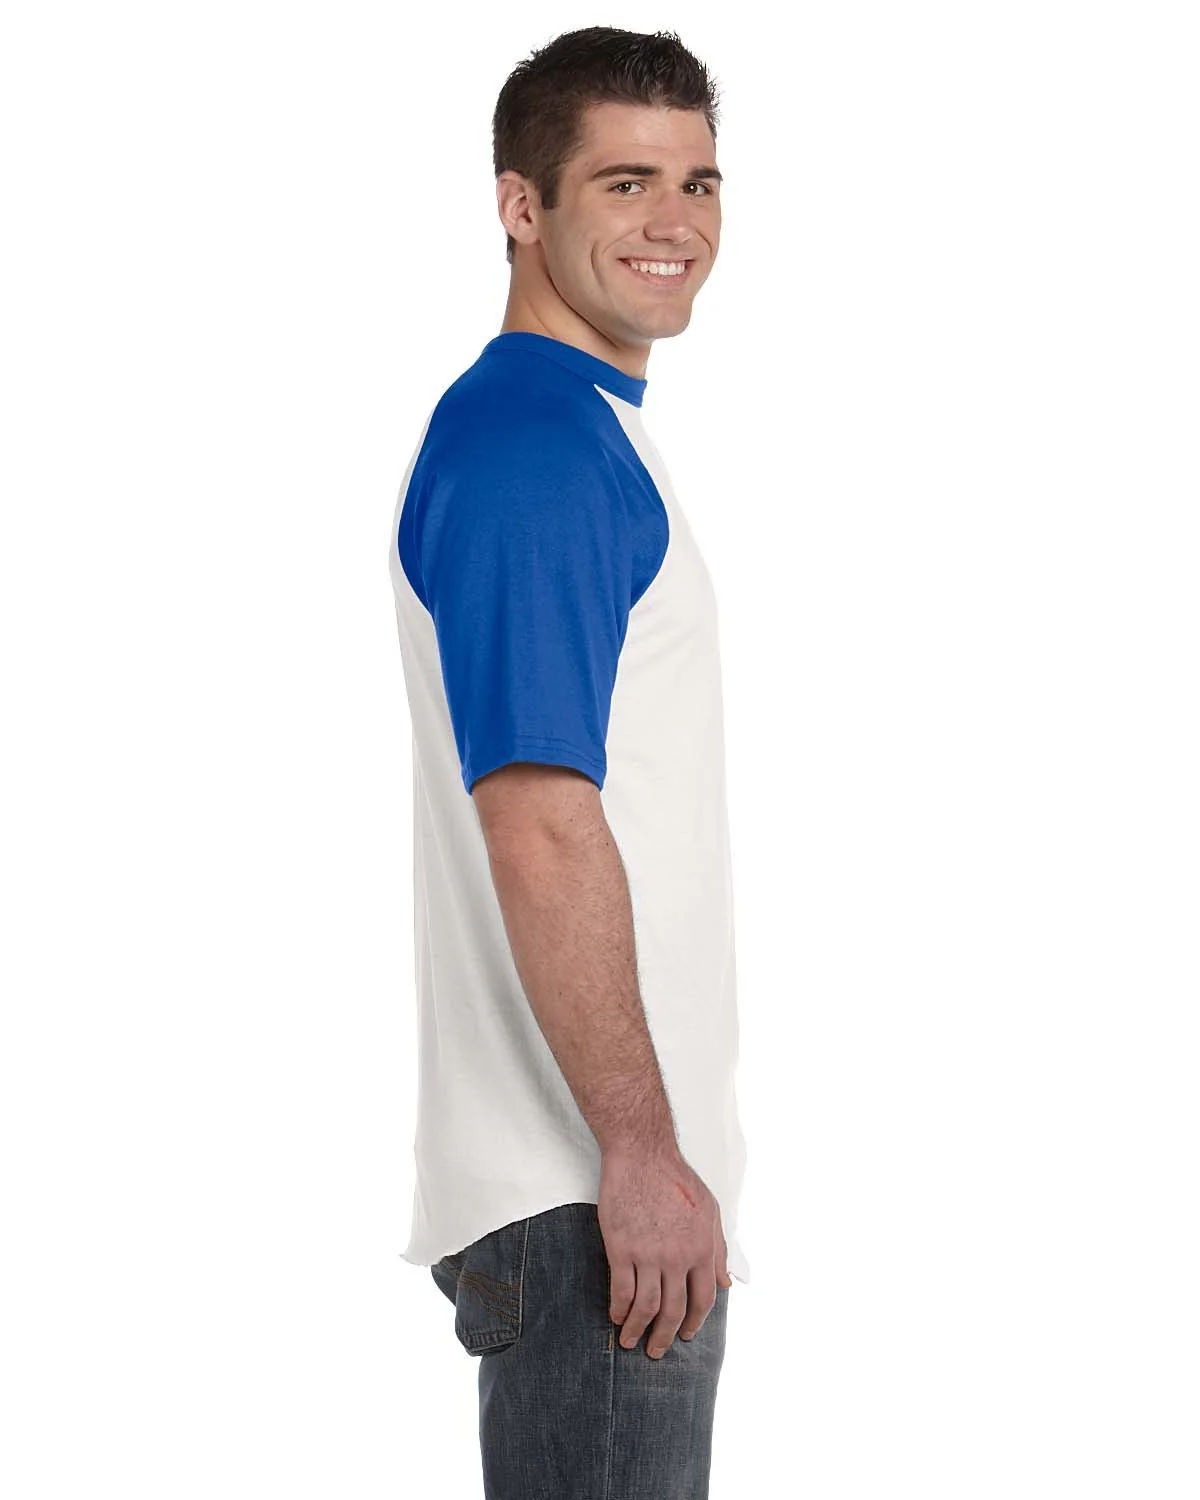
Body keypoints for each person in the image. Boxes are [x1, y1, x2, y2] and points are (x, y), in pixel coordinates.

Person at [386, 25, 750, 1498]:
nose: (676, 222)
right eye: (624, 181)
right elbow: (538, 819)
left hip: (593, 1195)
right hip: (589, 1201)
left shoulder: (577, 434)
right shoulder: (535, 447)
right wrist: (642, 1153)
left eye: (699, 181)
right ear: (520, 205)